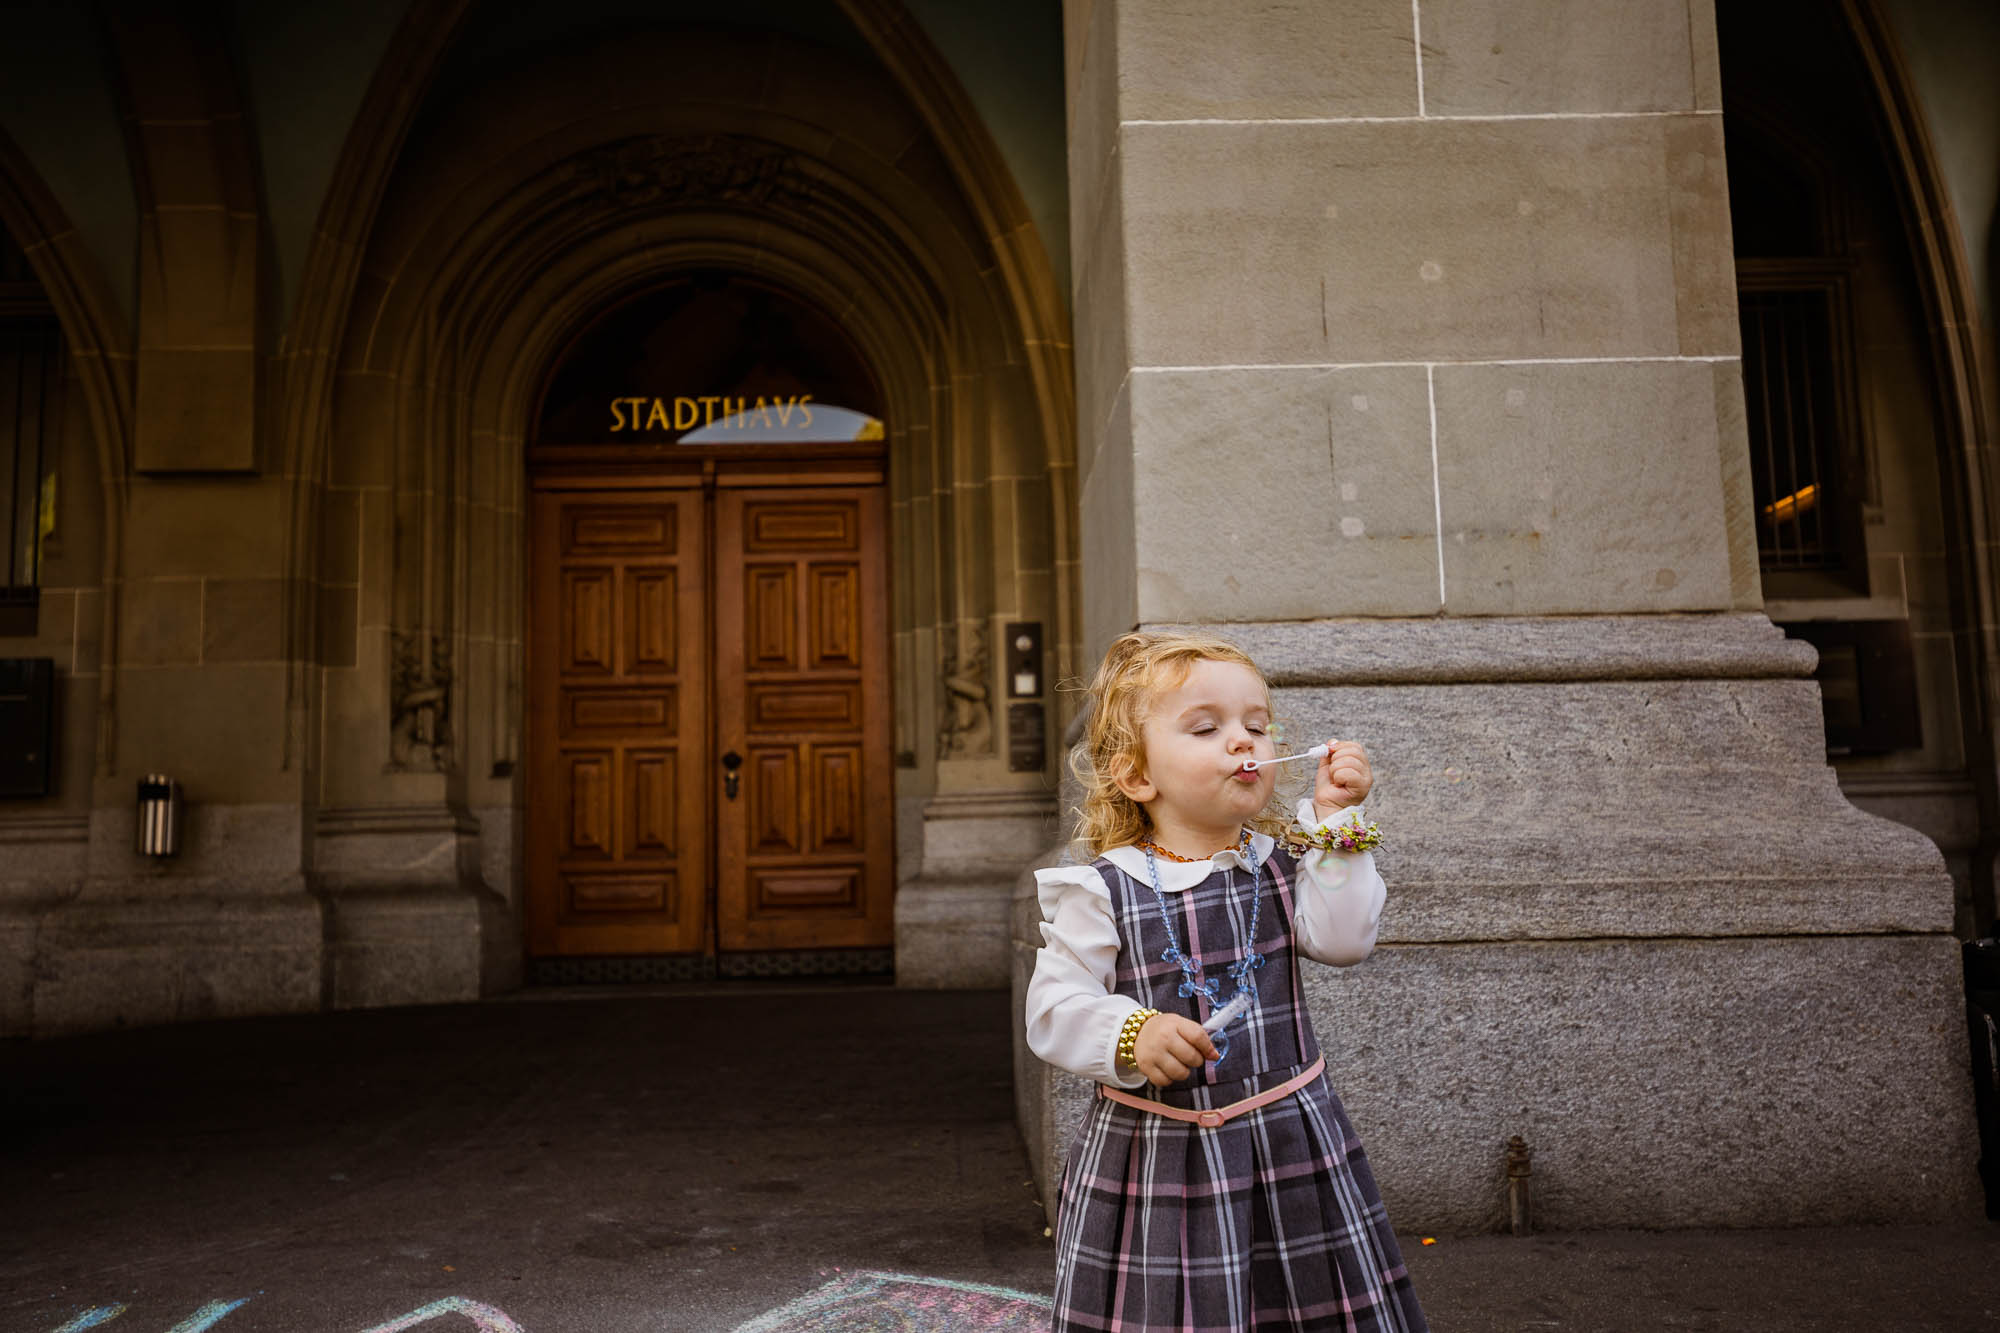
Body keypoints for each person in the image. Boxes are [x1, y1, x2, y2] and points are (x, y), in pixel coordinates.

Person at [1025, 629, 1429, 1332]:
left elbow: (1343, 940)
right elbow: (1053, 1007)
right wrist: (1132, 1030)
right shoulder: (1101, 890)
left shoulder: (1282, 864)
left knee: (1303, 1302)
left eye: (1257, 724)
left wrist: (1337, 822)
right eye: (1207, 727)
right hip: (1156, 1160)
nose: (1244, 741)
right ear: (1137, 776)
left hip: (1290, 1142)